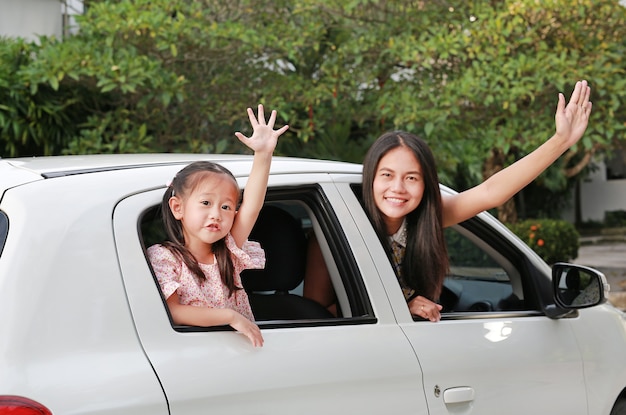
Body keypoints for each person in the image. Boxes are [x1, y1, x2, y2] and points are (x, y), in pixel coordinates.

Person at [303, 79, 593, 322]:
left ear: (426, 183)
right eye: (387, 175)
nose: (398, 188)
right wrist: (401, 307)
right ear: (371, 179)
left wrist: (560, 141)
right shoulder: (336, 232)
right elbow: (316, 316)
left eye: (412, 178)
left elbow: (492, 192)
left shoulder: (426, 220)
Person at [148, 105, 289, 347]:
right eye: (205, 203)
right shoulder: (165, 258)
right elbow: (174, 311)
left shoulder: (228, 251)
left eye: (226, 207)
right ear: (177, 207)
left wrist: (263, 155)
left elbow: (252, 206)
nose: (216, 214)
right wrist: (230, 317)